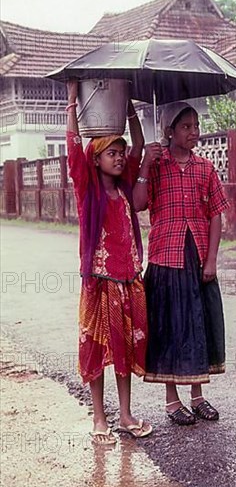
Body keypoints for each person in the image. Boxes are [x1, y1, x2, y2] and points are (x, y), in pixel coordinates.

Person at [66, 80, 152, 444]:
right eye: (111, 153)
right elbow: (72, 148)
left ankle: (126, 414)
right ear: (95, 158)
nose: (119, 157)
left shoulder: (123, 189)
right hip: (99, 283)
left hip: (129, 281)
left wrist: (129, 107)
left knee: (124, 349)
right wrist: (72, 103)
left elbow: (140, 146)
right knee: (98, 349)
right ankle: (99, 417)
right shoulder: (87, 191)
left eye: (120, 152)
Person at [133, 101, 229, 425]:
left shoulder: (205, 168)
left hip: (198, 257)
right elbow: (137, 203)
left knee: (198, 326)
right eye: (186, 126)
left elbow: (216, 215)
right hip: (165, 257)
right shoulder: (157, 166)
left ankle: (198, 396)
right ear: (169, 131)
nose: (193, 132)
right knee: (171, 328)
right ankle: (172, 402)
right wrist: (145, 165)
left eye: (196, 126)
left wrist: (212, 259)